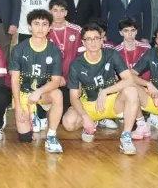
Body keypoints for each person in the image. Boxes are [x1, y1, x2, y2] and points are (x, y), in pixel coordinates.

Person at [63, 22, 146, 155]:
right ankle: (93, 121)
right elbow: (73, 97)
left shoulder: (111, 54)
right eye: (89, 39)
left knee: (131, 90)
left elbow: (129, 79)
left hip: (112, 102)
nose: (93, 42)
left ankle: (126, 136)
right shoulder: (76, 64)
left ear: (102, 40)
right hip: (90, 104)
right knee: (68, 123)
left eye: (96, 38)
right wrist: (85, 117)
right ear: (83, 43)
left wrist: (106, 91)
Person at [9, 10, 64, 152]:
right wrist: (18, 106)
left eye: (44, 24)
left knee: (58, 94)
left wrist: (39, 91)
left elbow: (56, 81)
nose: (40, 28)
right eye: (36, 24)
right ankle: (35, 115)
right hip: (23, 94)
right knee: (25, 138)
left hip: (42, 93)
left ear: (50, 27)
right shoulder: (18, 49)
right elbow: (14, 80)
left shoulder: (54, 51)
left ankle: (51, 136)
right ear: (29, 27)